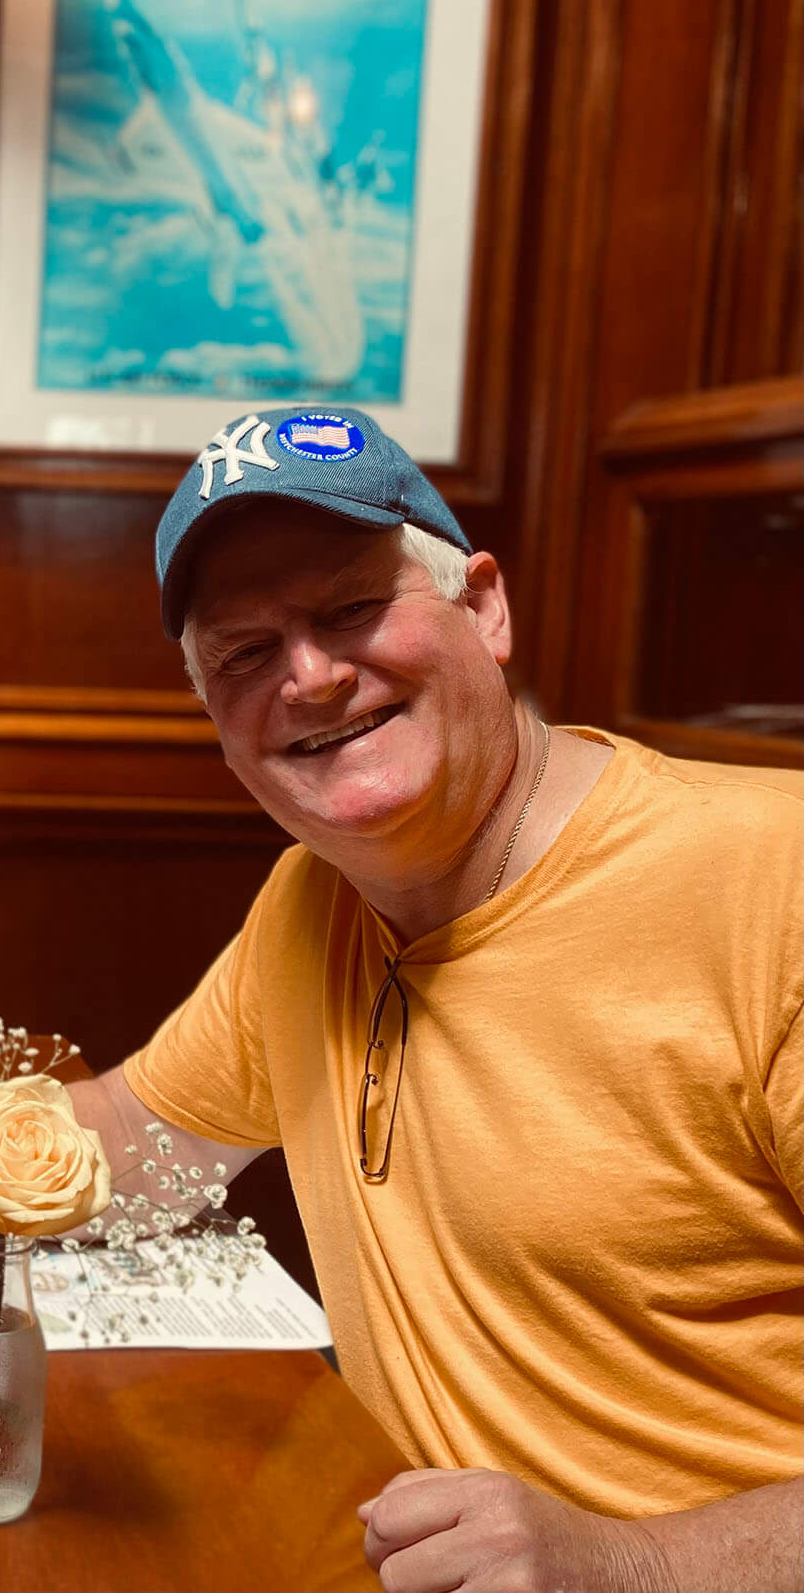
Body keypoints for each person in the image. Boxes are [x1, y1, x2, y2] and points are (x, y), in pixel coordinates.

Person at [62, 406, 802, 1592]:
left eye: (352, 608)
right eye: (244, 655)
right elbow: (131, 1147)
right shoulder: (311, 906)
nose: (307, 675)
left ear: (486, 608)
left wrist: (635, 1562)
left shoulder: (778, 884)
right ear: (215, 720)